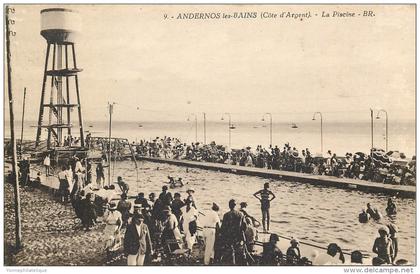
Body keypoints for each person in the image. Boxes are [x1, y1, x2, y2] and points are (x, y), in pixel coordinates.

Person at [220, 199, 247, 265]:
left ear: (229, 206)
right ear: (235, 205)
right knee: (240, 252)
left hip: (229, 236)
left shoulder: (226, 215)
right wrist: (241, 232)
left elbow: (223, 228)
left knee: (230, 252)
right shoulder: (241, 214)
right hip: (238, 236)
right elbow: (244, 226)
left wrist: (223, 236)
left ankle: (232, 263)